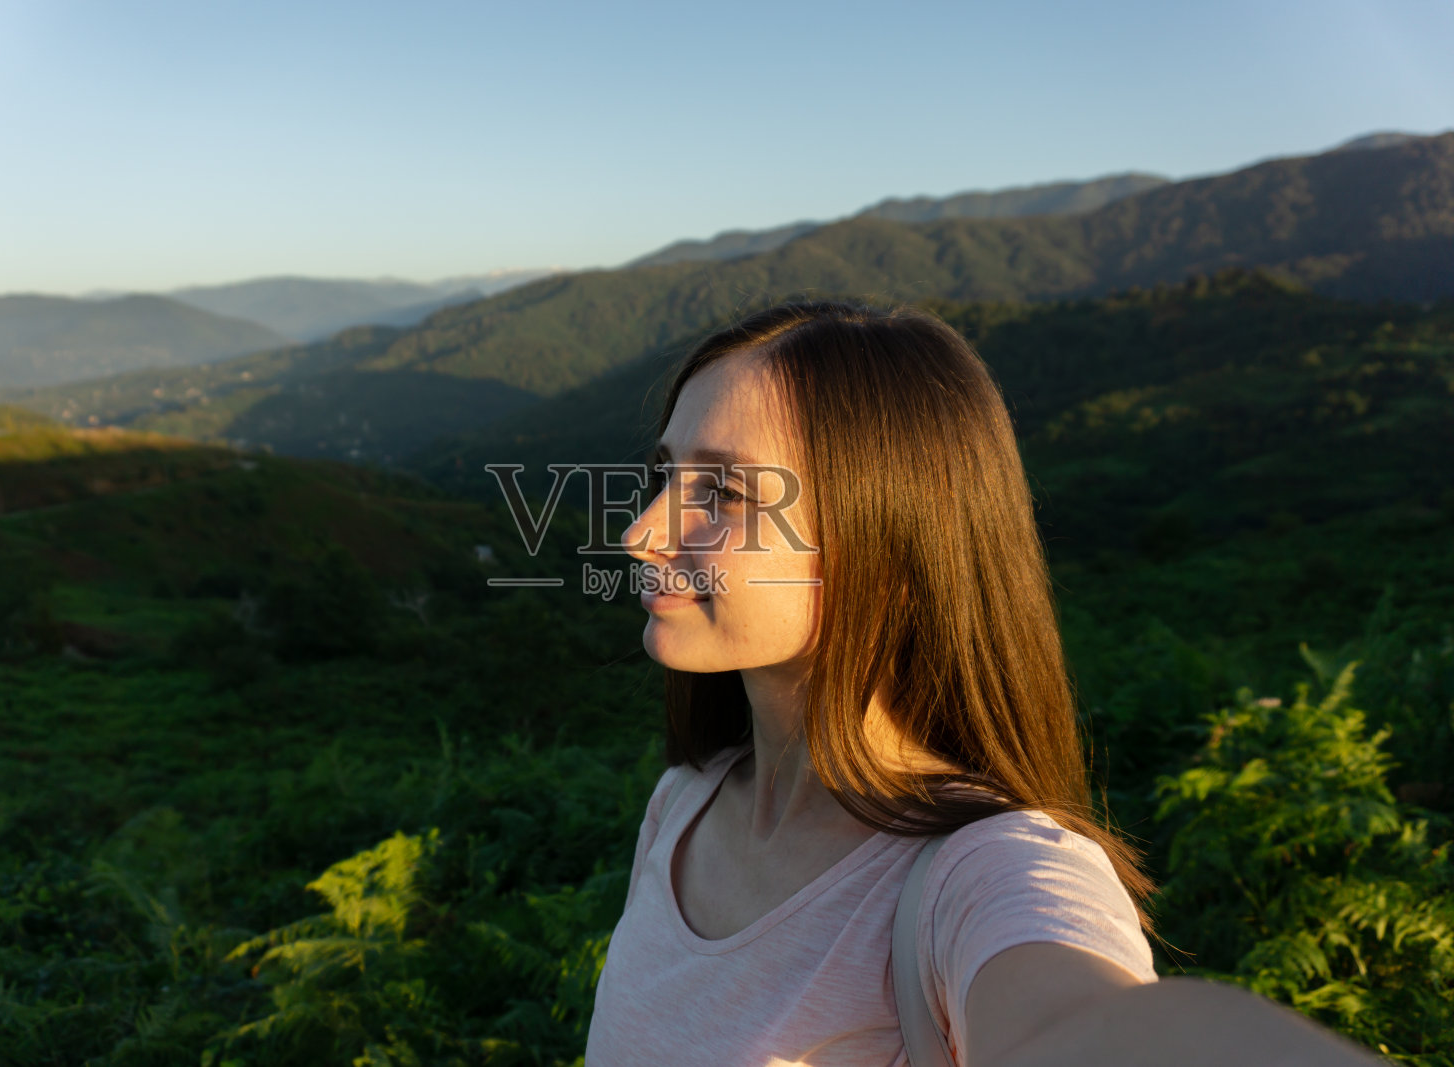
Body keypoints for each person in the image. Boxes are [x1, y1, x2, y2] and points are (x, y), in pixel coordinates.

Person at [583, 302, 1380, 1066]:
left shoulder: (980, 877)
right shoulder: (685, 804)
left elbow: (1088, 1016)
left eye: (720, 492)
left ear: (891, 544)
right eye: (666, 475)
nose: (641, 532)